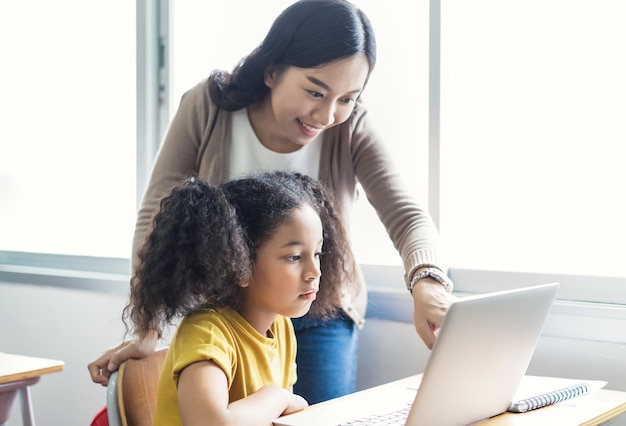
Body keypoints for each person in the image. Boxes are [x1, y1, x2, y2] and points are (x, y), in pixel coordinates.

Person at [88, 0, 456, 404]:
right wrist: (148, 326)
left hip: (320, 309)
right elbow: (156, 213)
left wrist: (428, 282)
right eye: (315, 91)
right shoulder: (209, 106)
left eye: (347, 98)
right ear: (272, 71)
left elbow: (406, 215)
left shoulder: (351, 126)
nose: (327, 114)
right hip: (231, 308)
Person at [124, 171, 358, 425]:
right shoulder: (206, 333)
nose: (315, 272)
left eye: (318, 253)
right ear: (240, 264)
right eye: (294, 257)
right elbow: (210, 423)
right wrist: (278, 397)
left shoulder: (281, 327)